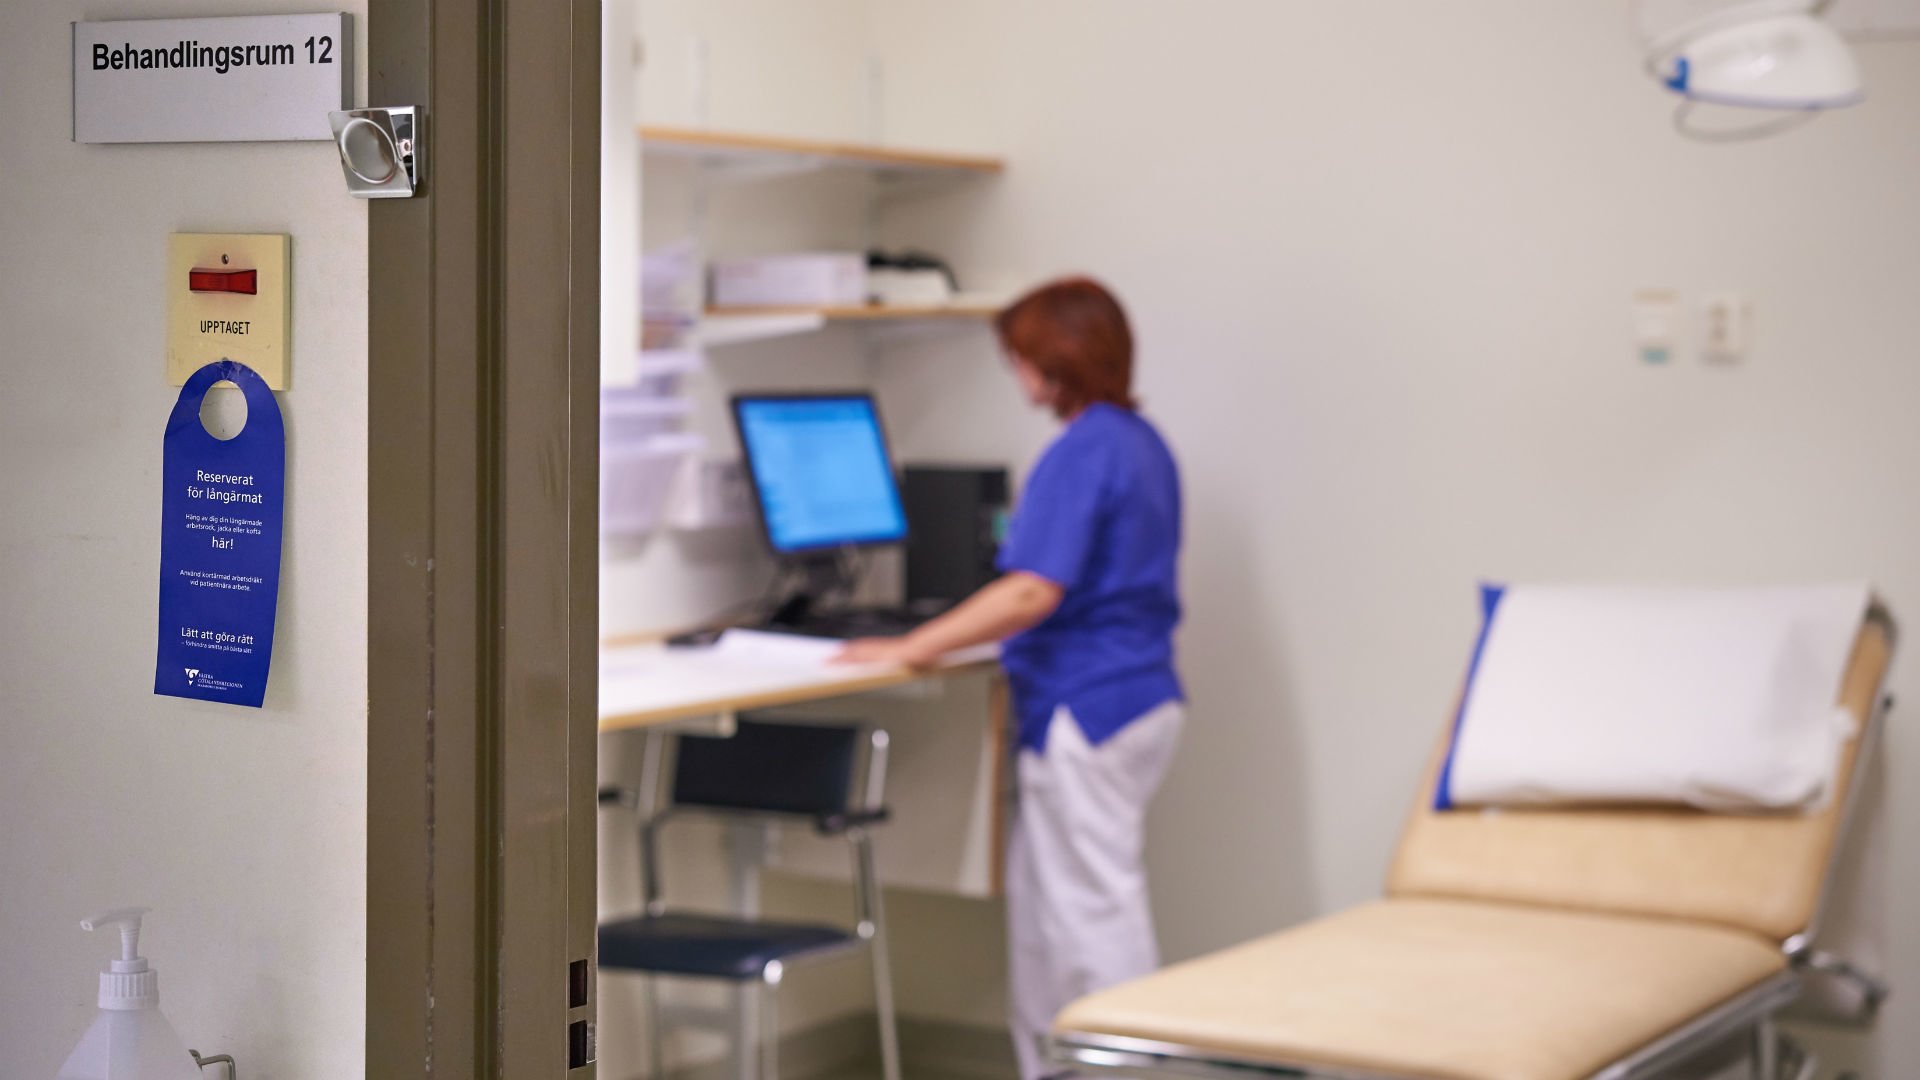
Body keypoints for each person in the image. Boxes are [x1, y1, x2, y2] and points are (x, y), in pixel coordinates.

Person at [835, 276, 1185, 1080]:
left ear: (1051, 361)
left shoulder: (1085, 449)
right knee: (1046, 920)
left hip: (1088, 708)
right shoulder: (1140, 441)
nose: (1017, 373)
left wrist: (910, 646)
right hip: (1135, 698)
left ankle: (1130, 1070)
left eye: (1020, 357)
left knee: (1092, 918)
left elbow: (1033, 587)